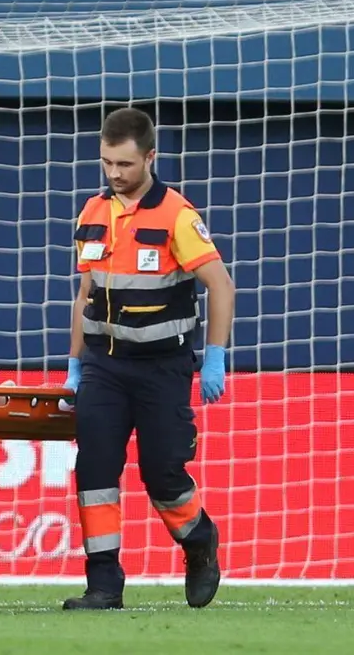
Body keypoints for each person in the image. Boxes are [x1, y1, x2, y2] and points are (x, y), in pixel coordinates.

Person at [62, 107, 233, 611]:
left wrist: (216, 356)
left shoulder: (178, 215)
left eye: (125, 165)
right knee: (93, 469)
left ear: (150, 158)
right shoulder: (92, 213)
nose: (115, 174)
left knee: (163, 475)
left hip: (162, 369)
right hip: (103, 365)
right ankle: (103, 585)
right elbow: (84, 294)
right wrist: (74, 363)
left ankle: (198, 539)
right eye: (107, 163)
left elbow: (221, 286)